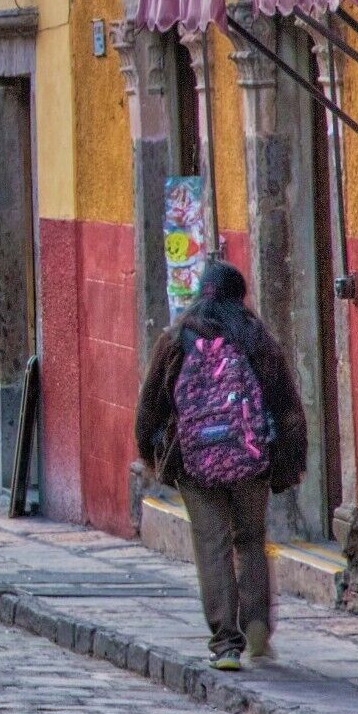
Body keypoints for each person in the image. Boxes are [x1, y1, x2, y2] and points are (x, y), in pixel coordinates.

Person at [135, 260, 308, 670]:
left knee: (212, 545)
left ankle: (225, 644)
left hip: (195, 462)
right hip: (250, 459)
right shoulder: (255, 337)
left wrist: (152, 454)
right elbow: (287, 406)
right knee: (249, 539)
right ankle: (257, 627)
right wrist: (287, 462)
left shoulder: (177, 338)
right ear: (239, 296)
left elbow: (149, 409)